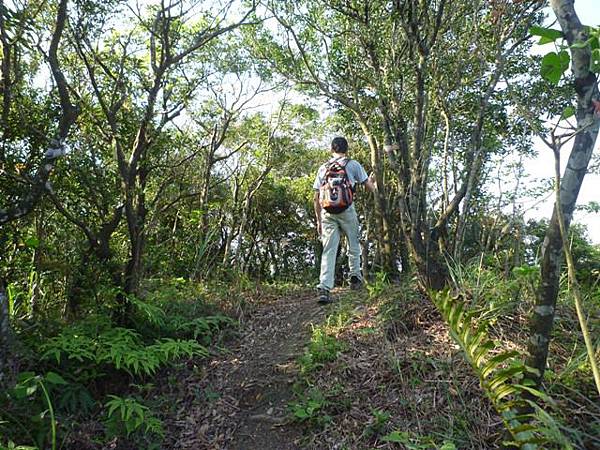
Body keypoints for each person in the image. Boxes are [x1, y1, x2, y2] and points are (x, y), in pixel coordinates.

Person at [313, 136, 376, 304]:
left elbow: (316, 197)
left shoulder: (323, 168)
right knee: (353, 243)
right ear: (346, 149)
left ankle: (324, 288)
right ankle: (355, 277)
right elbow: (370, 188)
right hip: (347, 210)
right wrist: (374, 182)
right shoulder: (353, 164)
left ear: (331, 149)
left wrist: (319, 220)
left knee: (329, 249)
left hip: (327, 212)